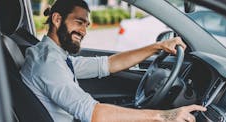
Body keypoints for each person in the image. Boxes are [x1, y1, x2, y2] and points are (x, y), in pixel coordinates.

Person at [20, 0, 206, 121]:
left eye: (86, 25)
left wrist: (157, 47)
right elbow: (93, 113)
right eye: (78, 22)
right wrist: (165, 116)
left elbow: (107, 64)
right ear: (57, 19)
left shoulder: (53, 56)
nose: (84, 31)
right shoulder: (48, 64)